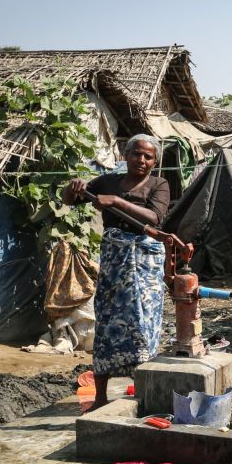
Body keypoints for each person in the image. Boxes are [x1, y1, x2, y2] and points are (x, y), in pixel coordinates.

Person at [64, 134, 170, 410]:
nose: (142, 160)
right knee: (108, 322)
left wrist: (117, 202)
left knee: (142, 323)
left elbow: (154, 218)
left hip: (145, 263)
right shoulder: (108, 181)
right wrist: (73, 187)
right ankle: (100, 395)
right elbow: (70, 200)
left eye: (148, 157)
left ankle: (143, 391)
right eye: (137, 154)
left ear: (154, 161)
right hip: (114, 262)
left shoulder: (159, 184)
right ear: (126, 154)